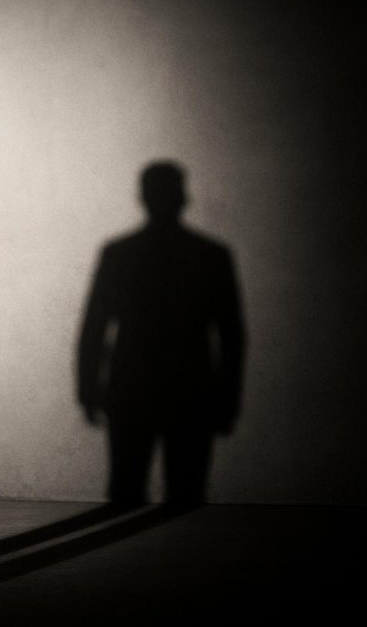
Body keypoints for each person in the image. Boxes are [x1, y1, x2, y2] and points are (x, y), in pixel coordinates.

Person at [77, 161, 244, 505]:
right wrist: (228, 399)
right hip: (191, 389)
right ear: (184, 197)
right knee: (185, 496)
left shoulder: (119, 254)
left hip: (131, 386)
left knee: (125, 492)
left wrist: (88, 389)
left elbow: (94, 329)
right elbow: (231, 335)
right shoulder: (210, 256)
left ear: (142, 197)